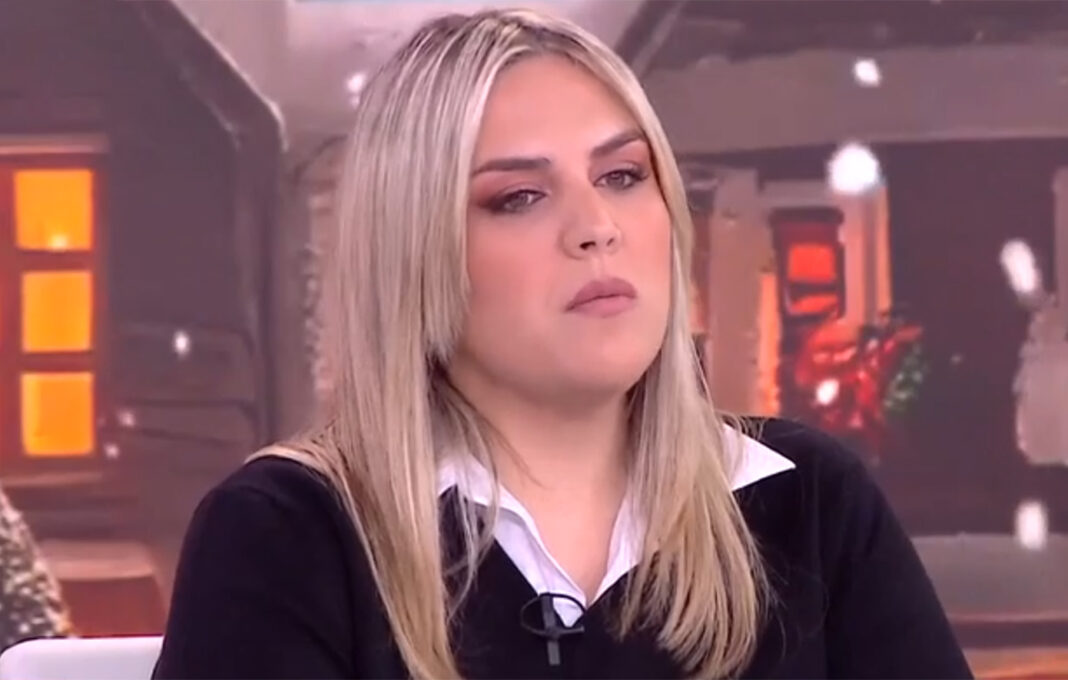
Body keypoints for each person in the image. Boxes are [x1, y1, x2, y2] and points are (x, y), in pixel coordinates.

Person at [153, 8, 972, 679]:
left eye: (622, 176)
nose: (597, 227)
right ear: (415, 252)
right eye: (519, 197)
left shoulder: (811, 505)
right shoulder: (289, 536)